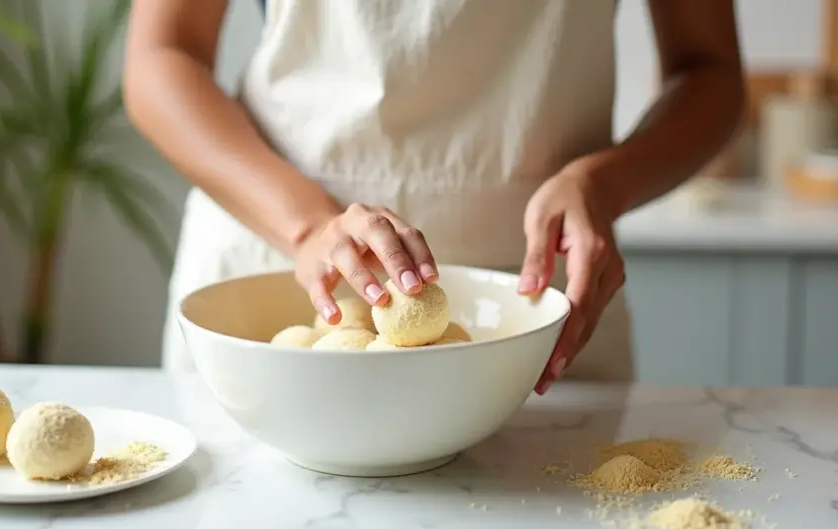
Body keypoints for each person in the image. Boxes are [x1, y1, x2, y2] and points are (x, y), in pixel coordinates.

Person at [124, 0, 744, 393]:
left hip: (536, 300)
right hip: (276, 259)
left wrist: (605, 182)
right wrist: (306, 225)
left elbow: (709, 71)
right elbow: (162, 52)